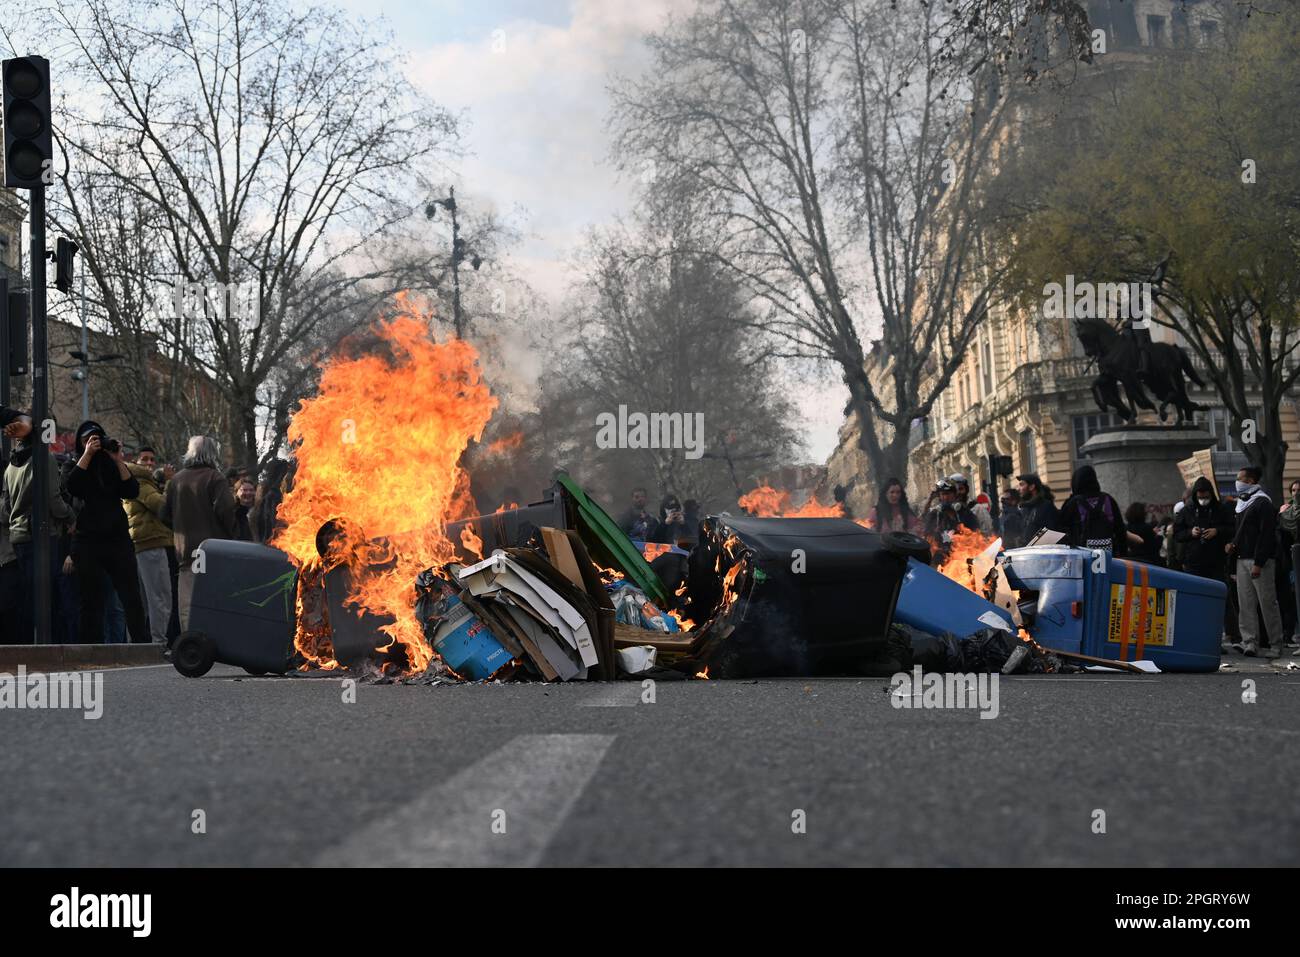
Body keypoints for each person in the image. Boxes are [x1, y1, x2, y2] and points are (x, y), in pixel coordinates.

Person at [64, 421, 150, 644]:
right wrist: (87, 455)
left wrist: (118, 459)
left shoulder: (110, 464)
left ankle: (141, 645)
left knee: (131, 596)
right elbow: (72, 486)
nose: (93, 443)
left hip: (116, 538)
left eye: (96, 439)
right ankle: (90, 648)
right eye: (87, 440)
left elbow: (131, 490)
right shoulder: (74, 464)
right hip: (87, 540)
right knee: (91, 599)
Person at [3, 410, 74, 642]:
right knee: (47, 596)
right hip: (42, 535)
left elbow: (6, 507)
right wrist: (70, 515)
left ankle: (24, 646)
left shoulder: (12, 465)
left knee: (27, 597)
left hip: (18, 536)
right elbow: (53, 500)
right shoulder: (44, 459)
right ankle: (50, 647)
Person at [162, 436, 238, 631]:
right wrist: (232, 535)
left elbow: (163, 514)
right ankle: (216, 640)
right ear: (213, 453)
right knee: (214, 598)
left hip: (186, 550)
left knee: (187, 601)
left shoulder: (176, 480)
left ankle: (190, 643)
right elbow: (226, 510)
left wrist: (180, 529)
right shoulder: (215, 477)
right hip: (212, 550)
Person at [1225, 465, 1285, 657]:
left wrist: (1259, 562)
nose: (1237, 481)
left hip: (1260, 561)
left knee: (1267, 603)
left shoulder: (1262, 503)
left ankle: (1276, 644)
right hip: (1242, 559)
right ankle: (1249, 641)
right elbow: (1243, 533)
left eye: (1239, 478)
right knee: (1246, 604)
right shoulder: (1243, 503)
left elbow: (1266, 535)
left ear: (1250, 481)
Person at [1173, 477, 1233, 649]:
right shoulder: (1187, 511)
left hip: (1215, 562)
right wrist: (1191, 533)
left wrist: (1217, 531)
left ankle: (1221, 637)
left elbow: (1232, 528)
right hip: (1194, 563)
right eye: (1200, 495)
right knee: (1194, 603)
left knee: (1217, 603)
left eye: (1206, 495)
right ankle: (1195, 638)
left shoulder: (1220, 509)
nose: (1203, 498)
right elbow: (1177, 534)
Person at [123, 446, 174, 644]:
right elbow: (162, 506)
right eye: (145, 459)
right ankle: (158, 644)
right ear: (136, 461)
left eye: (153, 460)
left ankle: (136, 645)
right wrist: (169, 483)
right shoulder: (141, 482)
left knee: (143, 601)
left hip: (140, 544)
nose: (150, 463)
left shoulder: (138, 481)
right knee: (160, 598)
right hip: (150, 544)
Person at [1054, 464, 1127, 554]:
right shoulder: (1108, 499)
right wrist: (1123, 554)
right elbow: (1120, 530)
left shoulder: (1073, 503)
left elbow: (1060, 530)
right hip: (1109, 556)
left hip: (1082, 557)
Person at [922, 478, 978, 545]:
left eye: (948, 494)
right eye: (943, 494)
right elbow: (927, 537)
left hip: (963, 551)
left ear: (955, 495)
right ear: (939, 496)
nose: (945, 497)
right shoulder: (935, 514)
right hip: (942, 553)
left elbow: (976, 534)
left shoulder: (965, 512)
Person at [1015, 473, 1057, 543]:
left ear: (1032, 487)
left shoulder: (1045, 506)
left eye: (1022, 485)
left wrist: (1033, 543)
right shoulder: (1024, 508)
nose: (1018, 489)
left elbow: (1051, 531)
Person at [234, 477, 257, 541]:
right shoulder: (232, 513)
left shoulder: (260, 511)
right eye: (244, 490)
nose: (248, 493)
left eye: (251, 490)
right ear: (237, 492)